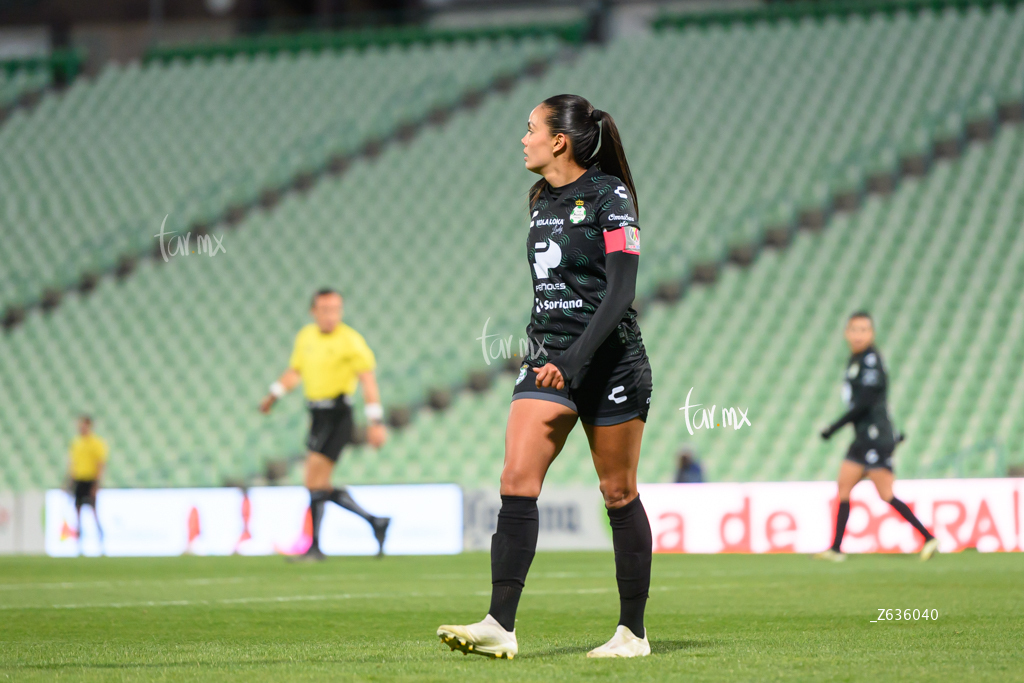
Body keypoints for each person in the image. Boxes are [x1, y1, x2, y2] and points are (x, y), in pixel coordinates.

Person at [437, 94, 654, 659]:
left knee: (618, 491)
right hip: (548, 357)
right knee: (516, 477)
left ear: (559, 139)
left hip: (609, 361)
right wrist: (552, 354)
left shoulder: (612, 196)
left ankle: (632, 633)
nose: (523, 137)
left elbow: (622, 292)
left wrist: (579, 358)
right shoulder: (539, 199)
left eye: (529, 128)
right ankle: (499, 624)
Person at [260, 288, 390, 561]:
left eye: (336, 309)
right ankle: (374, 521)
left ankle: (316, 546)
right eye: (325, 309)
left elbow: (367, 380)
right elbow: (296, 371)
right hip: (317, 415)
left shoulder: (351, 341)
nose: (332, 315)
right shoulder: (306, 337)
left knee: (314, 481)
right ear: (314, 312)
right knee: (317, 484)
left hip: (338, 415)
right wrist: (274, 394)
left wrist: (375, 421)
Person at [815, 311, 938, 562]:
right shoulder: (855, 359)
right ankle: (836, 549)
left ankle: (928, 537)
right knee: (844, 486)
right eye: (854, 329)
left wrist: (832, 428)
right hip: (862, 436)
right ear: (846, 333)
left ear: (872, 334)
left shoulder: (871, 361)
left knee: (885, 494)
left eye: (864, 330)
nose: (858, 334)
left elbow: (863, 405)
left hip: (876, 436)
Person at [67, 415, 107, 555]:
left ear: (89, 426)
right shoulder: (76, 443)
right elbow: (72, 464)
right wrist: (69, 482)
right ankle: (79, 547)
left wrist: (96, 484)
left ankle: (101, 544)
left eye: (83, 425)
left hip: (90, 481)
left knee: (94, 513)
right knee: (77, 514)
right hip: (79, 480)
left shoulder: (96, 443)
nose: (80, 427)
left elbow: (100, 464)